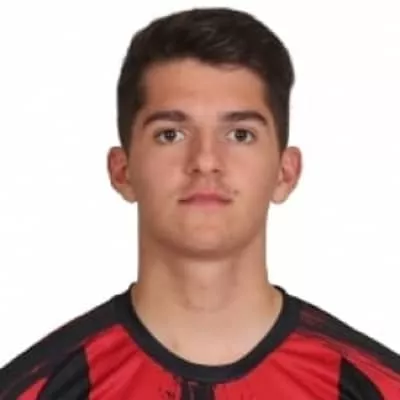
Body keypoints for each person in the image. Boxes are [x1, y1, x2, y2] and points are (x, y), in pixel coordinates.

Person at [1, 7, 399, 399]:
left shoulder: (376, 386)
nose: (206, 160)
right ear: (122, 171)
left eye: (240, 134)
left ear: (285, 172)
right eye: (170, 134)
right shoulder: (36, 388)